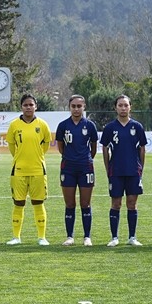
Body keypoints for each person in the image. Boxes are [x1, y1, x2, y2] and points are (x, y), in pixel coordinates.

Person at [100, 94, 147, 246]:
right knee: (116, 203)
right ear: (115, 108)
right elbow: (105, 148)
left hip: (133, 171)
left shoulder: (137, 127)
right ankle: (114, 237)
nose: (123, 108)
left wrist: (141, 169)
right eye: (120, 105)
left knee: (132, 204)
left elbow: (142, 149)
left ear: (130, 107)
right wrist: (108, 169)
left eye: (126, 105)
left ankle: (132, 237)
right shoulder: (110, 128)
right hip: (116, 171)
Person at [5, 94, 52, 245]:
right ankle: (16, 237)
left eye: (31, 105)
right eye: (25, 105)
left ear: (35, 106)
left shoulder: (42, 124)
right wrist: (21, 158)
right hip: (19, 170)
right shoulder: (14, 125)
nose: (28, 107)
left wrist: (36, 158)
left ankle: (42, 237)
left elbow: (45, 146)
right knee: (18, 203)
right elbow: (12, 147)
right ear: (21, 107)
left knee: (38, 203)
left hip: (38, 170)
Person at [55, 95, 97, 246]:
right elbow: (60, 146)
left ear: (84, 107)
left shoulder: (90, 125)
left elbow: (93, 148)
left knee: (85, 203)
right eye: (73, 106)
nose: (76, 109)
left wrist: (84, 159)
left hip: (86, 167)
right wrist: (70, 157)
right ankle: (70, 237)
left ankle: (87, 237)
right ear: (69, 107)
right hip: (68, 167)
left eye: (79, 106)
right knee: (70, 204)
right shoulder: (63, 125)